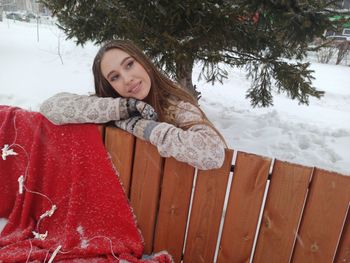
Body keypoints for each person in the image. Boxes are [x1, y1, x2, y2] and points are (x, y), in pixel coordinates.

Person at [40, 40, 226, 170]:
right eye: (115, 77)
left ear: (143, 63)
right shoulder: (109, 106)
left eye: (129, 65)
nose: (127, 79)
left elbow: (214, 153)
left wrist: (144, 128)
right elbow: (51, 107)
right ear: (109, 85)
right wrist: (122, 109)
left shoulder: (176, 107)